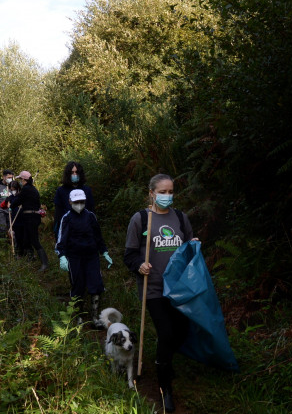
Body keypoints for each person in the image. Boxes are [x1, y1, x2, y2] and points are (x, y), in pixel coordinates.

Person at [123, 174, 195, 413]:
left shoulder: (181, 218)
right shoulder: (141, 219)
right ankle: (165, 387)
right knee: (166, 333)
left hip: (178, 288)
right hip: (153, 288)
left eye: (170, 191)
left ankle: (163, 361)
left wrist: (192, 244)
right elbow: (130, 254)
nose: (167, 196)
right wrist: (138, 265)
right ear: (151, 193)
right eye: (162, 192)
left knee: (181, 331)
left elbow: (186, 249)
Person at [56, 189, 113, 327]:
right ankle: (79, 316)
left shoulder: (90, 216)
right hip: (74, 257)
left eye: (82, 202)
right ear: (70, 202)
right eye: (76, 202)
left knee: (96, 285)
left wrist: (104, 252)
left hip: (91, 256)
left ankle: (95, 317)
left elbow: (98, 235)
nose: (79, 204)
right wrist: (62, 255)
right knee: (78, 285)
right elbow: (61, 238)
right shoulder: (67, 218)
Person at [9, 170, 49, 271]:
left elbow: (17, 201)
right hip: (31, 217)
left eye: (21, 180)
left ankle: (45, 263)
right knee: (26, 240)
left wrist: (11, 202)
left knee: (34, 240)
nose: (20, 182)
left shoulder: (26, 189)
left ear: (24, 180)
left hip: (31, 218)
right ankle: (30, 259)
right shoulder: (32, 189)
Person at [53, 162, 95, 236]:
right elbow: (58, 213)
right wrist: (58, 229)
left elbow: (91, 209)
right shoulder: (61, 191)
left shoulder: (87, 190)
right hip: (68, 228)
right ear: (68, 174)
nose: (74, 174)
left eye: (77, 172)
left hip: (85, 228)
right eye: (72, 172)